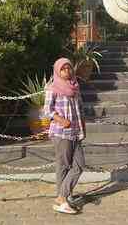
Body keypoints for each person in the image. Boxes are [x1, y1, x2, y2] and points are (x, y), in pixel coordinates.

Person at [45, 58, 86, 214]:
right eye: (63, 69)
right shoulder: (53, 88)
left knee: (79, 165)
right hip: (61, 133)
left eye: (69, 68)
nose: (67, 71)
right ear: (57, 71)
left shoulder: (75, 86)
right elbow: (47, 110)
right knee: (63, 166)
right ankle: (62, 198)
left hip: (76, 132)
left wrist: (83, 127)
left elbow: (80, 108)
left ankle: (62, 196)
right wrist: (61, 120)